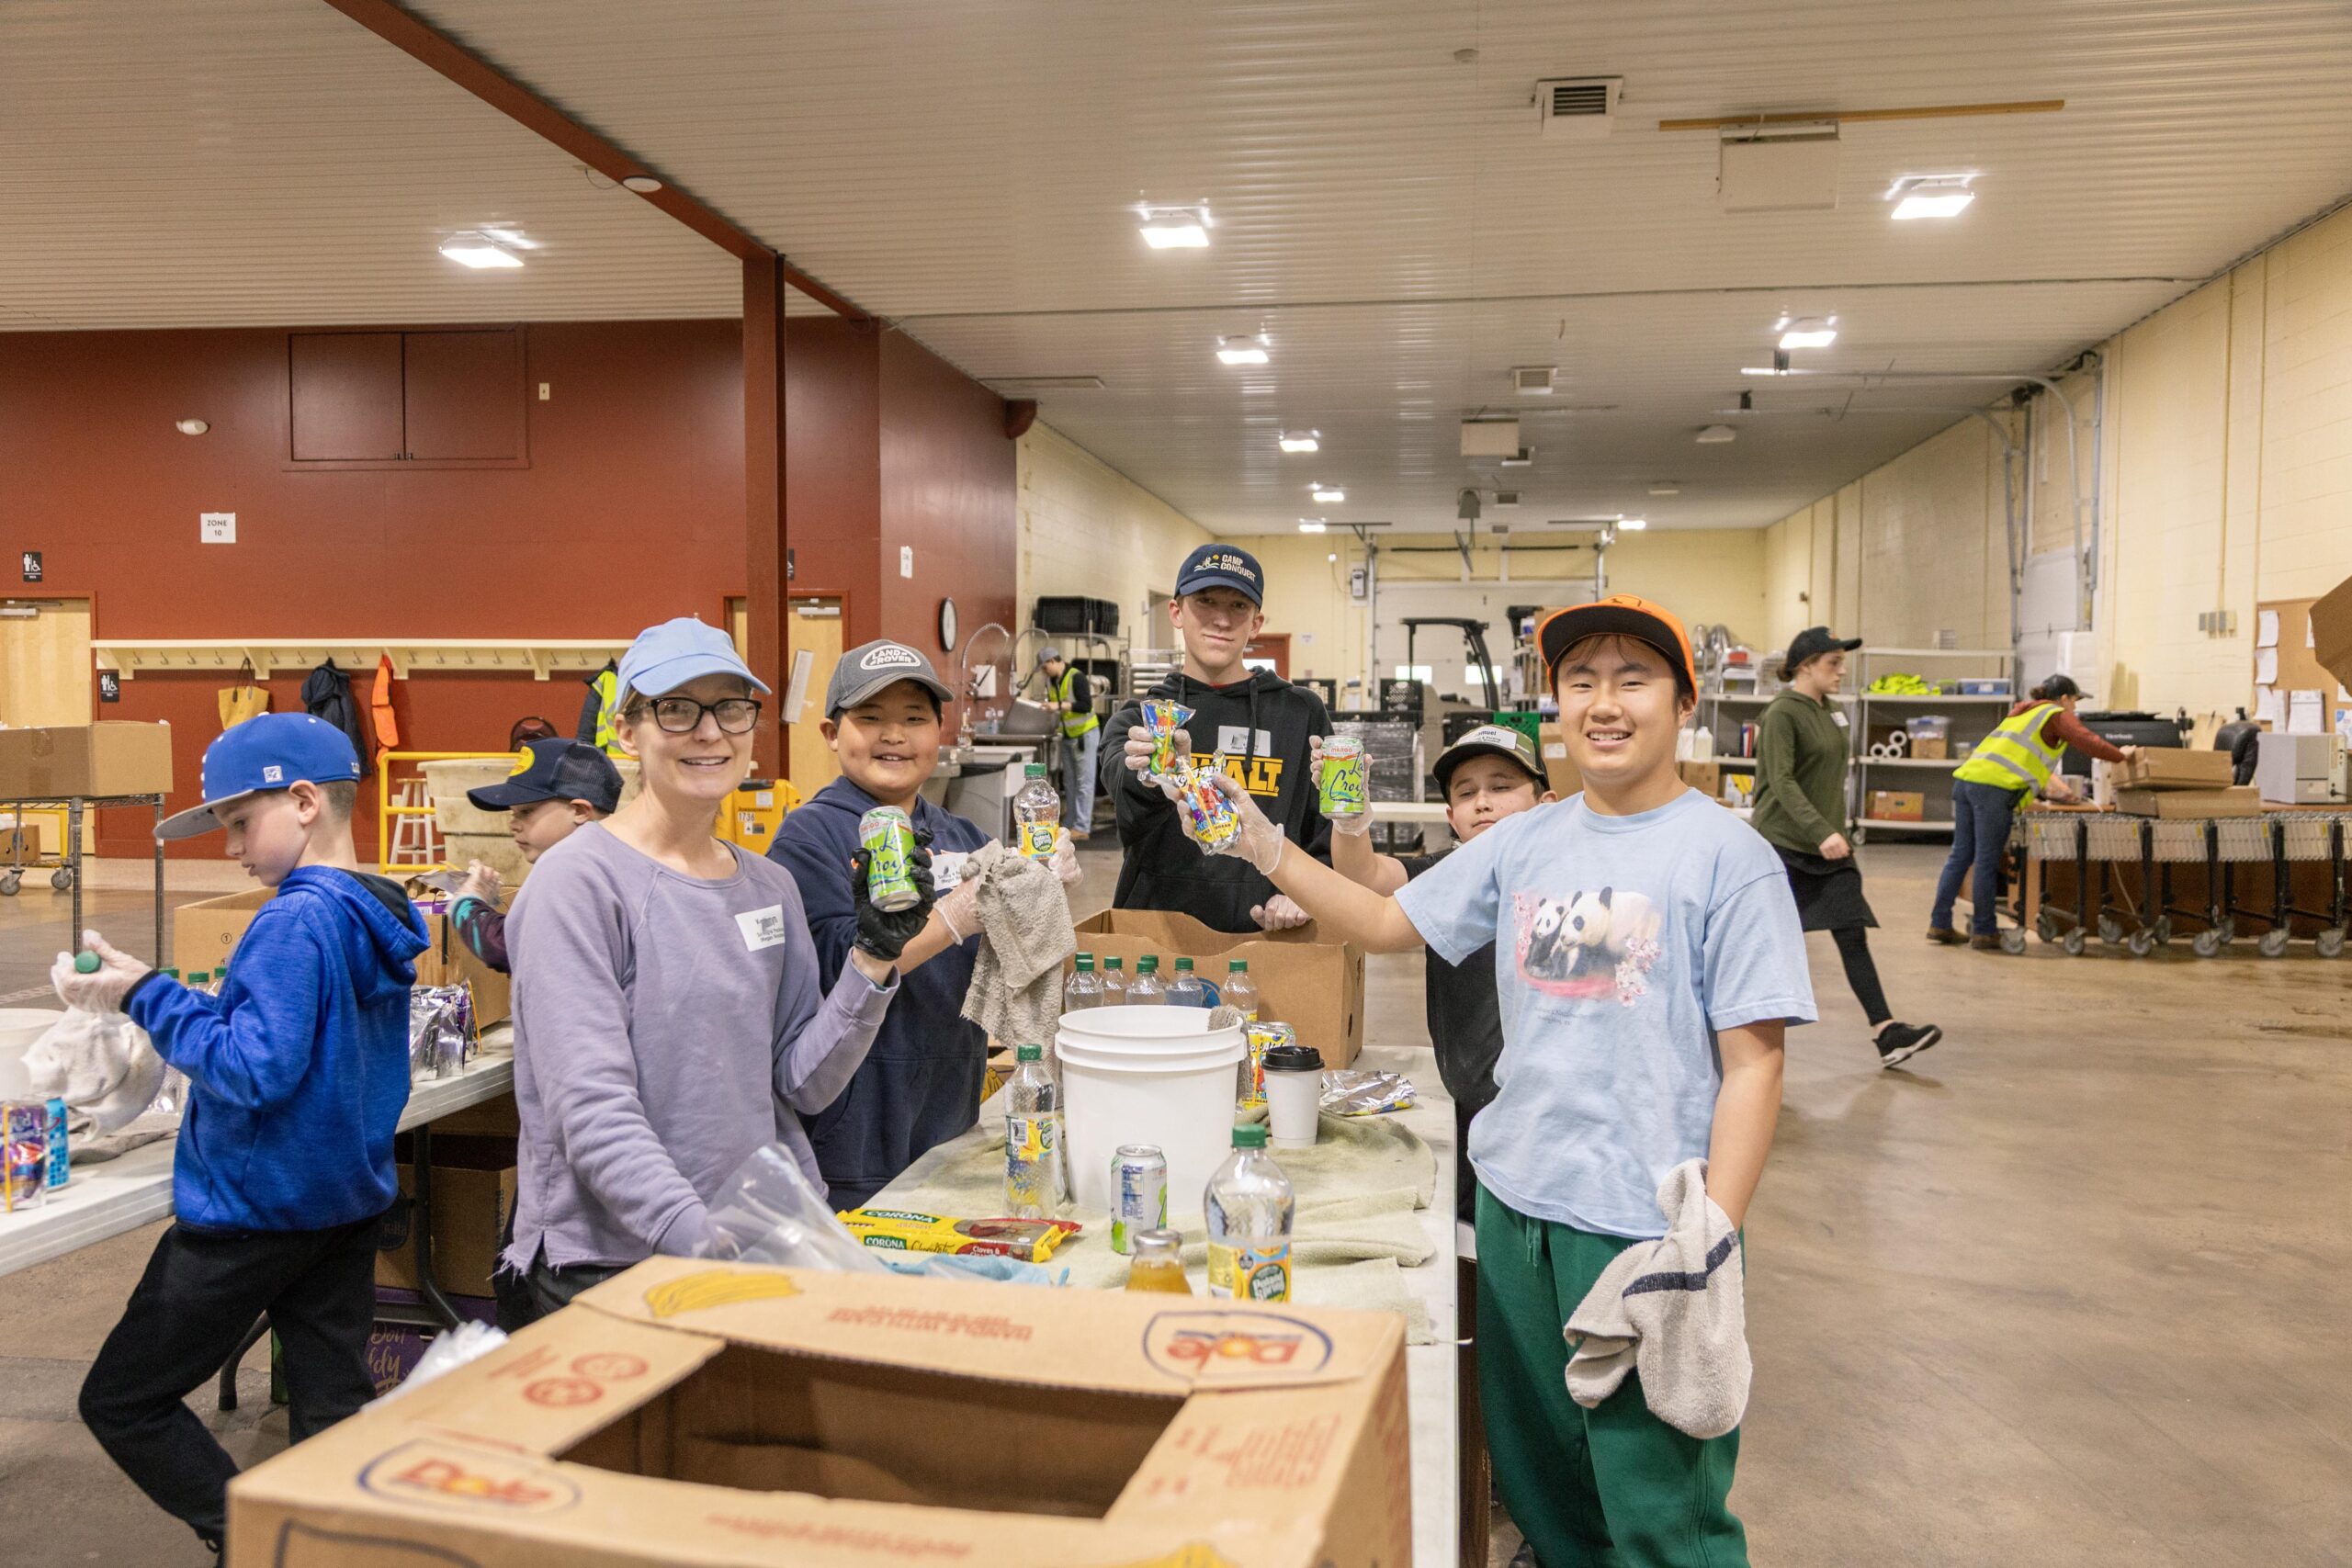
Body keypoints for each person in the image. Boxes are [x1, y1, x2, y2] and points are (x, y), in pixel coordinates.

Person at [1144, 593, 1813, 1568]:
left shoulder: (1726, 858)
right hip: (1514, 1206)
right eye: (1580, 682)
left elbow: (1756, 1064)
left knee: (1659, 1499)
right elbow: (1382, 923)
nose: (1605, 703)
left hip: (1642, 1227)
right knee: (1543, 1483)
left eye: (1633, 679)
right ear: (1556, 706)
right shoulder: (1526, 841)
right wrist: (1262, 845)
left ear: (1683, 700)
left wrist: (1708, 1239)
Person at [56, 715, 427, 1561]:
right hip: (343, 1204)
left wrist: (144, 992)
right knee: (333, 1412)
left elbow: (255, 1069)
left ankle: (254, 1536)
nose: (228, 847)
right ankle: (340, 1548)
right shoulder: (373, 911)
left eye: (236, 821)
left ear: (303, 801)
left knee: (122, 1399)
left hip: (254, 1213)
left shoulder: (295, 921)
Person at [500, 618, 930, 1325]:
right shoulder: (577, 884)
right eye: (676, 708)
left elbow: (803, 1083)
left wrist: (874, 959)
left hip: (758, 1247)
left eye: (731, 707)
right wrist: (703, 1241)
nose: (710, 732)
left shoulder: (767, 886)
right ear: (627, 731)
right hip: (622, 1267)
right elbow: (594, 1112)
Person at [770, 639, 1076, 1209]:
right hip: (856, 1128)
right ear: (831, 733)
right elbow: (842, 968)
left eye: (914, 719)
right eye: (870, 719)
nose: (894, 735)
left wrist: (1043, 892)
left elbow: (1012, 971)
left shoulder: (961, 837)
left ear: (940, 731)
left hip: (950, 1112)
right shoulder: (808, 837)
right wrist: (955, 917)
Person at [1316, 723, 1555, 1223]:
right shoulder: (1446, 874)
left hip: (1543, 1118)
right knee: (1472, 1235)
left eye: (1503, 787)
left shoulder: (1567, 881)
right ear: (1451, 817)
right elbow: (1366, 877)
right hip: (1468, 1103)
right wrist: (1350, 821)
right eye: (1467, 794)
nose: (1483, 803)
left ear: (1547, 803)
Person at [1102, 543, 1333, 932]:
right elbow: (1126, 801)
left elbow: (1327, 823)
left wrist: (1308, 889)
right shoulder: (1142, 719)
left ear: (1256, 622)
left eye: (1238, 606)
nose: (1221, 620)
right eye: (1205, 601)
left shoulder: (1300, 712)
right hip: (1159, 935)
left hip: (1270, 931)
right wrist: (1152, 772)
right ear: (1176, 611)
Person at [1753, 627, 1942, 1068]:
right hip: (1785, 846)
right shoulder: (1782, 713)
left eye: (1842, 663)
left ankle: (1887, 1033)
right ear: (1805, 666)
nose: (1842, 671)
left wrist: (1835, 831)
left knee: (1852, 934)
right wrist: (1821, 830)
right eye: (1832, 663)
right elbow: (1781, 781)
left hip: (1829, 847)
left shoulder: (1833, 712)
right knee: (1770, 946)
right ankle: (1742, 1043)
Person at [1930, 673, 2136, 950]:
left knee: (1960, 855)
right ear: (2063, 699)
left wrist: (2050, 789)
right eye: (2074, 702)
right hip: (1993, 791)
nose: (2075, 709)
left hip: (1967, 782)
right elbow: (2086, 741)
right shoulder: (2054, 713)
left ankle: (1939, 924)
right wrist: (2122, 755)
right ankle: (1984, 931)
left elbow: (2020, 758)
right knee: (1986, 861)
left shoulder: (2022, 713)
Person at [447, 738, 624, 974]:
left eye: (527, 811)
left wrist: (467, 903)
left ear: (580, 811)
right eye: (513, 813)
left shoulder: (572, 868)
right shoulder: (615, 858)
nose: (513, 824)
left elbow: (507, 947)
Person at [1036, 647, 1101, 840]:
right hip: (1067, 736)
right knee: (1070, 783)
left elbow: (1085, 705)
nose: (1044, 671)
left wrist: (1059, 706)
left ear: (1054, 661)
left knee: (1084, 783)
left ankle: (1082, 826)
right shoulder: (1051, 681)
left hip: (1085, 736)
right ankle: (1070, 822)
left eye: (1045, 667)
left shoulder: (1076, 677)